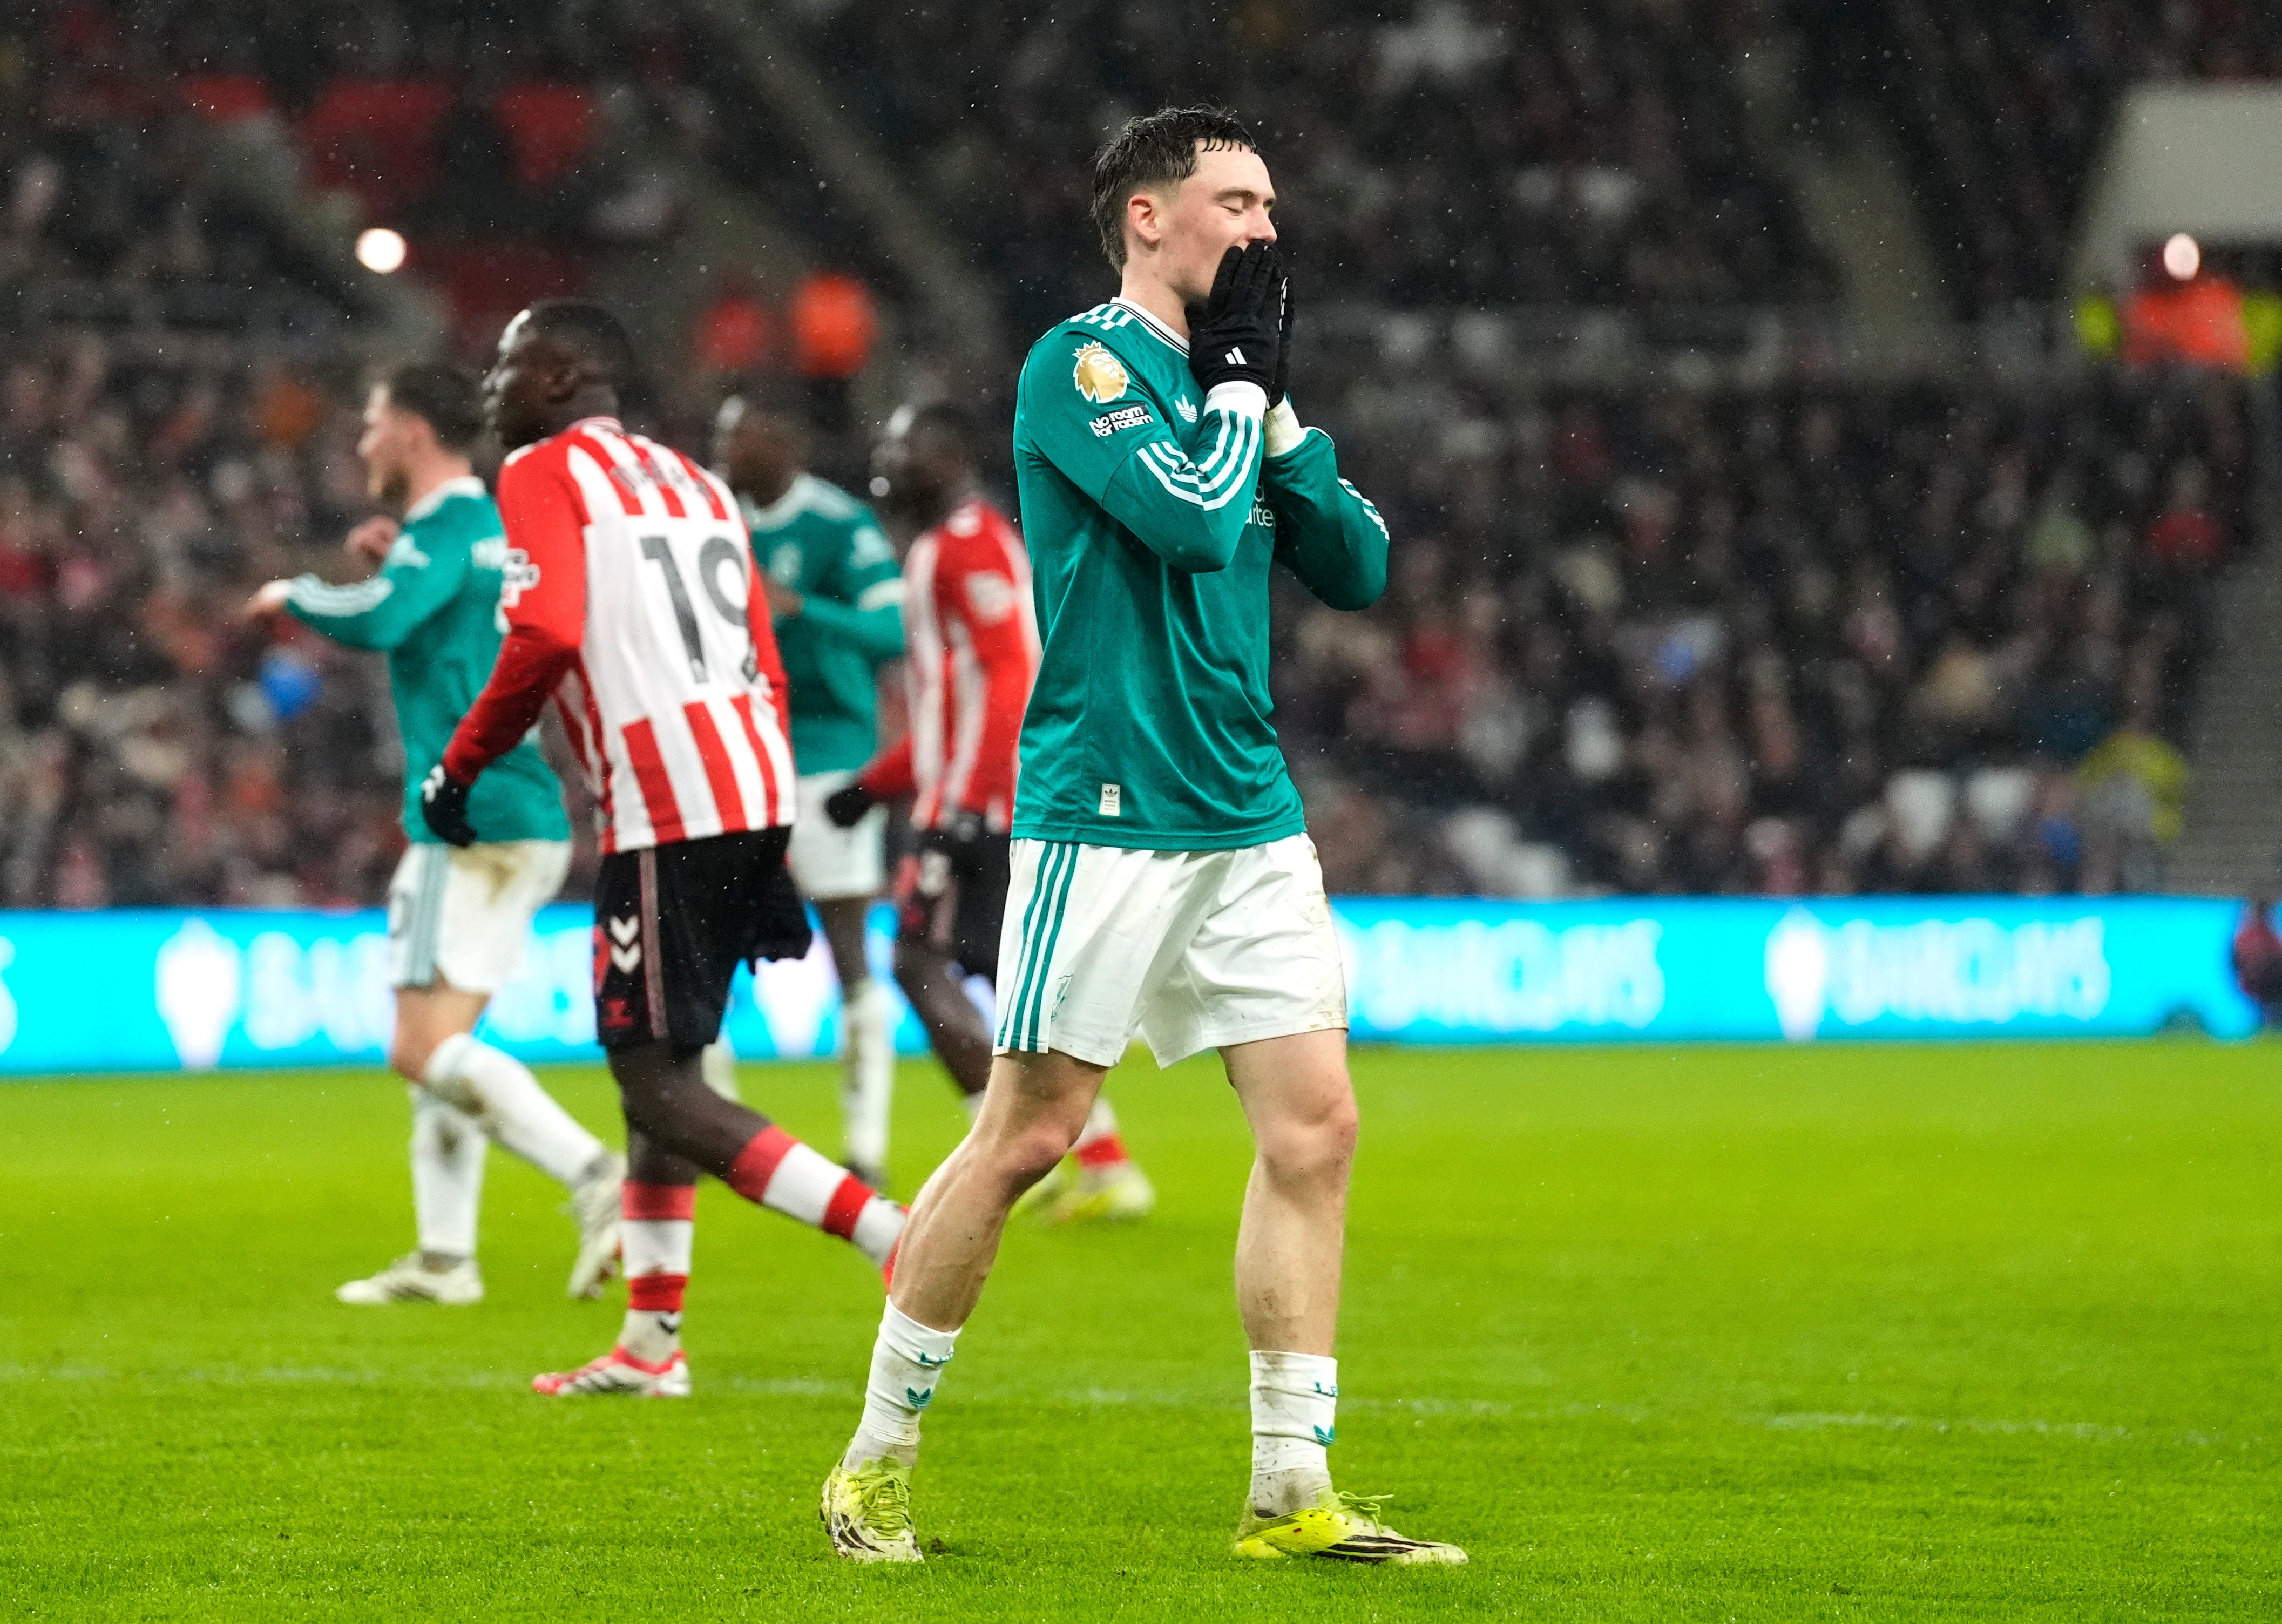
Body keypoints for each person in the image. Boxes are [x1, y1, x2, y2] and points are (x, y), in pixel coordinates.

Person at [820, 108, 1463, 1565]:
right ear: (1146, 219)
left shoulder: (1239, 382)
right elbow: (1186, 522)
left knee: (1317, 1129)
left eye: (1270, 205)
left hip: (1247, 812)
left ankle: (1289, 1487)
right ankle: (874, 1462)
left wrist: (1271, 409)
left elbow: (1357, 568)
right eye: (1236, 201)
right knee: (1027, 1137)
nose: (1265, 230)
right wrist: (1236, 395)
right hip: (1108, 810)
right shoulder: (1080, 366)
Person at [421, 301, 904, 1398]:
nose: (490, 385)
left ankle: (889, 1231)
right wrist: (765, 820)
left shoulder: (540, 469)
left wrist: (461, 765)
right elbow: (764, 655)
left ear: (560, 377)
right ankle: (650, 1345)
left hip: (664, 800)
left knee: (653, 1083)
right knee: (670, 1068)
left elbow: (545, 630)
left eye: (506, 363)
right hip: (750, 781)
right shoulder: (698, 482)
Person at [245, 362, 621, 1308]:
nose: (363, 441)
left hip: (466, 815)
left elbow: (385, 618)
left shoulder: (447, 525)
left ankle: (592, 1174)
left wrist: (294, 593)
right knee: (447, 1051)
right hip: (523, 810)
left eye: (373, 422)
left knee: (419, 1048)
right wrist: (397, 565)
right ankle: (447, 1258)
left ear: (413, 431)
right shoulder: (495, 526)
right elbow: (449, 622)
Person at [825, 402, 1152, 1220]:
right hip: (981, 795)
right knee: (1005, 978)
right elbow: (956, 703)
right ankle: (1104, 1164)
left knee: (916, 962)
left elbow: (1011, 676)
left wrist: (967, 806)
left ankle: (1004, 1155)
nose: (888, 460)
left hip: (984, 804)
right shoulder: (952, 543)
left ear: (947, 455)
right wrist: (876, 784)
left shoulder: (966, 544)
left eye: (905, 446)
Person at [713, 394, 903, 1190]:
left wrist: (803, 610)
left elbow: (893, 631)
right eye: (722, 435)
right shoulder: (715, 518)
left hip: (828, 756)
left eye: (740, 435)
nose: (724, 448)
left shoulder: (839, 525)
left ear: (783, 441)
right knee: (710, 938)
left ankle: (865, 1146)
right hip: (737, 754)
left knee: (848, 947)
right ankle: (713, 1131)